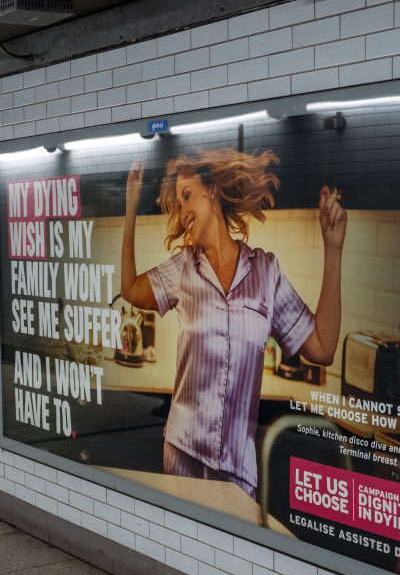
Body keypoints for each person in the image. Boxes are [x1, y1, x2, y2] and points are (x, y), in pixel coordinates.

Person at [121, 150, 347, 498]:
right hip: (183, 453)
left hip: (238, 473)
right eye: (178, 205)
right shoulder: (182, 269)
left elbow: (323, 348)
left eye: (186, 197)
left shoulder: (266, 273)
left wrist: (333, 251)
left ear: (211, 190)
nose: (182, 215)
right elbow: (129, 290)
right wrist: (130, 209)